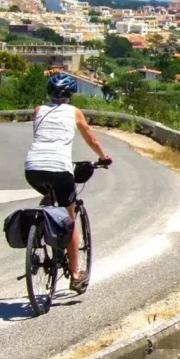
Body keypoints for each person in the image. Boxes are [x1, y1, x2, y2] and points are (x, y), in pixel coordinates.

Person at [23, 72, 111, 294]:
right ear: (71, 94)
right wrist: (104, 157)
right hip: (59, 169)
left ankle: (41, 230)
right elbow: (91, 138)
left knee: (48, 196)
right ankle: (74, 275)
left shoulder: (38, 111)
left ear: (49, 93)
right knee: (70, 219)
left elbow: (42, 137)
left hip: (32, 168)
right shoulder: (74, 113)